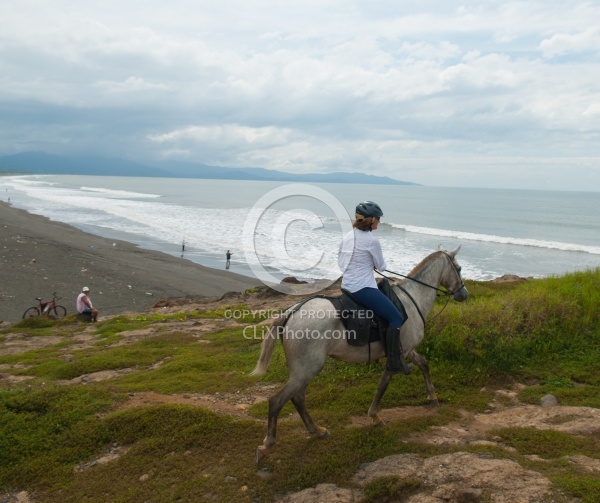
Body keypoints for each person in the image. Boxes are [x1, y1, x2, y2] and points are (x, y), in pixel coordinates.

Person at [338, 201, 412, 374]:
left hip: (347, 287)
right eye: (378, 218)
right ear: (371, 220)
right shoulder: (372, 241)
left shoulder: (346, 237)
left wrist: (360, 264)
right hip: (363, 289)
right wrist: (370, 264)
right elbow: (381, 266)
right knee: (396, 317)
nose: (379, 221)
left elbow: (341, 264)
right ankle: (394, 363)